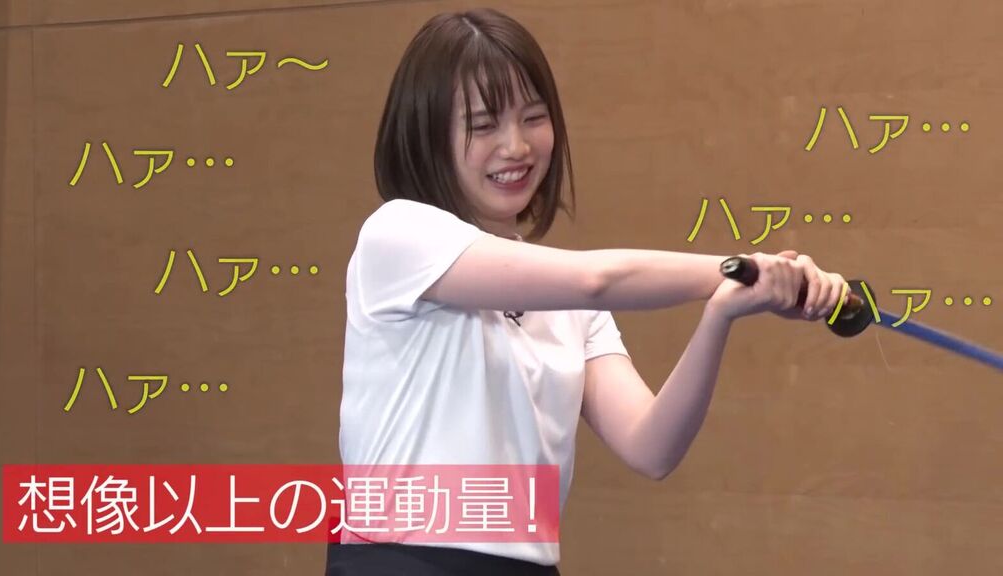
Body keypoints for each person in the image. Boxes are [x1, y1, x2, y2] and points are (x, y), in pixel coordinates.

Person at [327, 7, 848, 576]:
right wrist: (742, 270)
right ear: (427, 136)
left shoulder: (569, 306)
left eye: (534, 117)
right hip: (397, 561)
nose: (517, 146)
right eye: (484, 125)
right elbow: (596, 280)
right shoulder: (398, 234)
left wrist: (721, 312)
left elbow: (652, 447)